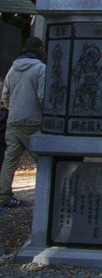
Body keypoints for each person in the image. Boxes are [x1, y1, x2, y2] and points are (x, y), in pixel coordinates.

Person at [0, 37, 45, 211]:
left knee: (9, 160)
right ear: (39, 49)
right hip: (33, 121)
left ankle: (4, 197)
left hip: (13, 121)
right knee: (43, 160)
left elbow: (5, 96)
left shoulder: (13, 68)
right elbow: (42, 96)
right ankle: (47, 194)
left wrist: (14, 110)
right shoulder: (41, 68)